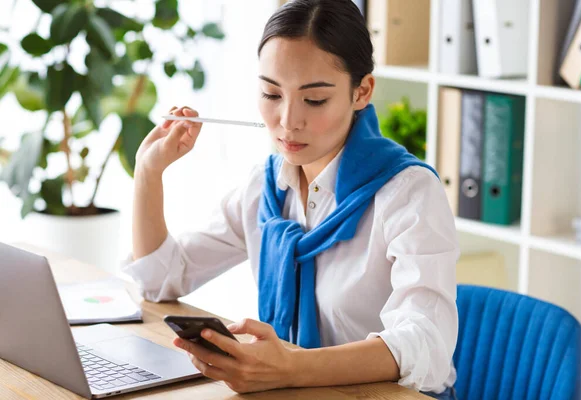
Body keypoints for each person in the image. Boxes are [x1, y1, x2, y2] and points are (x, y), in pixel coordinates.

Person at [123, 0, 459, 398]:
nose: (287, 120)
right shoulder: (266, 189)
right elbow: (160, 279)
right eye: (271, 93)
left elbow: (427, 345)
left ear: (361, 92)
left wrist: (289, 367)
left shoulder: (409, 194)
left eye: (313, 100)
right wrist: (148, 174)